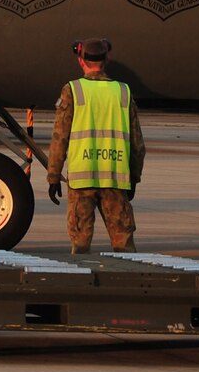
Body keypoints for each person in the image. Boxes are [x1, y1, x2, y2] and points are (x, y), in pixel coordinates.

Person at [46, 38, 145, 252]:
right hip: (115, 178)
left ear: (81, 60)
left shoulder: (73, 90)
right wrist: (134, 177)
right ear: (107, 59)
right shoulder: (123, 91)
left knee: (80, 244)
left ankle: (82, 281)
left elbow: (60, 137)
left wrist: (54, 176)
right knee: (124, 245)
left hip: (82, 179)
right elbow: (137, 144)